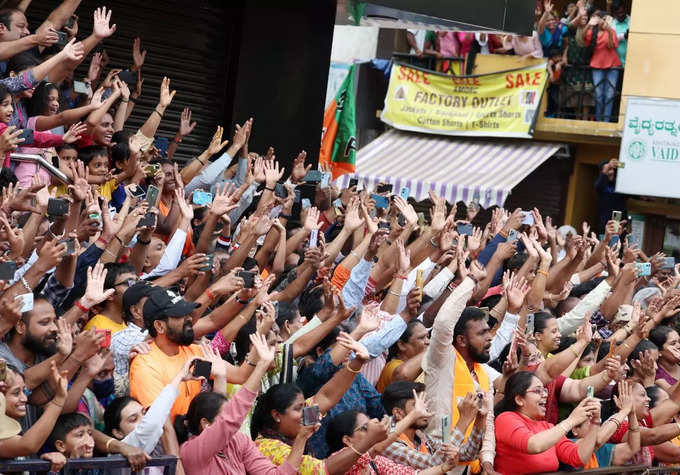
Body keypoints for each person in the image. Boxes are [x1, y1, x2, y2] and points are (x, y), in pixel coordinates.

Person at [128, 286, 255, 420]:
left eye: (187, 313)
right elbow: (159, 425)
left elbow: (240, 376)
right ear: (159, 326)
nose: (188, 318)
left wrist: (260, 344)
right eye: (180, 315)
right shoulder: (145, 365)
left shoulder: (193, 352)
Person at [493, 371, 599, 474]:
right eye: (538, 391)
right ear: (519, 399)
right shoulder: (505, 419)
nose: (545, 395)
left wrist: (595, 422)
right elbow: (534, 445)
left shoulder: (547, 427)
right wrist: (571, 420)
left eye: (545, 390)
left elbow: (579, 458)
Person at [324, 410, 459, 474]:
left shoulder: (375, 461)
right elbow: (376, 448)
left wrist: (445, 467)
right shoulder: (338, 459)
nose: (373, 431)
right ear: (347, 440)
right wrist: (413, 415)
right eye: (366, 428)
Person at [584, 11, 621, 122]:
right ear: (598, 20)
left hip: (612, 65)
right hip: (597, 65)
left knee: (610, 95)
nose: (604, 21)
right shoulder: (592, 31)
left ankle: (606, 121)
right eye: (603, 19)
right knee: (599, 94)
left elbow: (611, 46)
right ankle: (599, 120)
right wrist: (589, 24)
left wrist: (609, 31)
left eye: (606, 19)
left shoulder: (612, 31)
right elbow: (583, 37)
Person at [376, 319, 428, 393]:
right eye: (421, 338)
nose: (428, 341)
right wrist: (428, 351)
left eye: (427, 337)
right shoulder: (392, 366)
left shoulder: (421, 365)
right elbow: (403, 375)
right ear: (402, 345)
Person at [595, 158, 627, 233]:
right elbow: (598, 185)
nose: (611, 172)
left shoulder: (619, 184)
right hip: (605, 225)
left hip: (620, 224)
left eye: (612, 169)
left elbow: (630, 193)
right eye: (608, 169)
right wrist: (609, 165)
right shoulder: (600, 186)